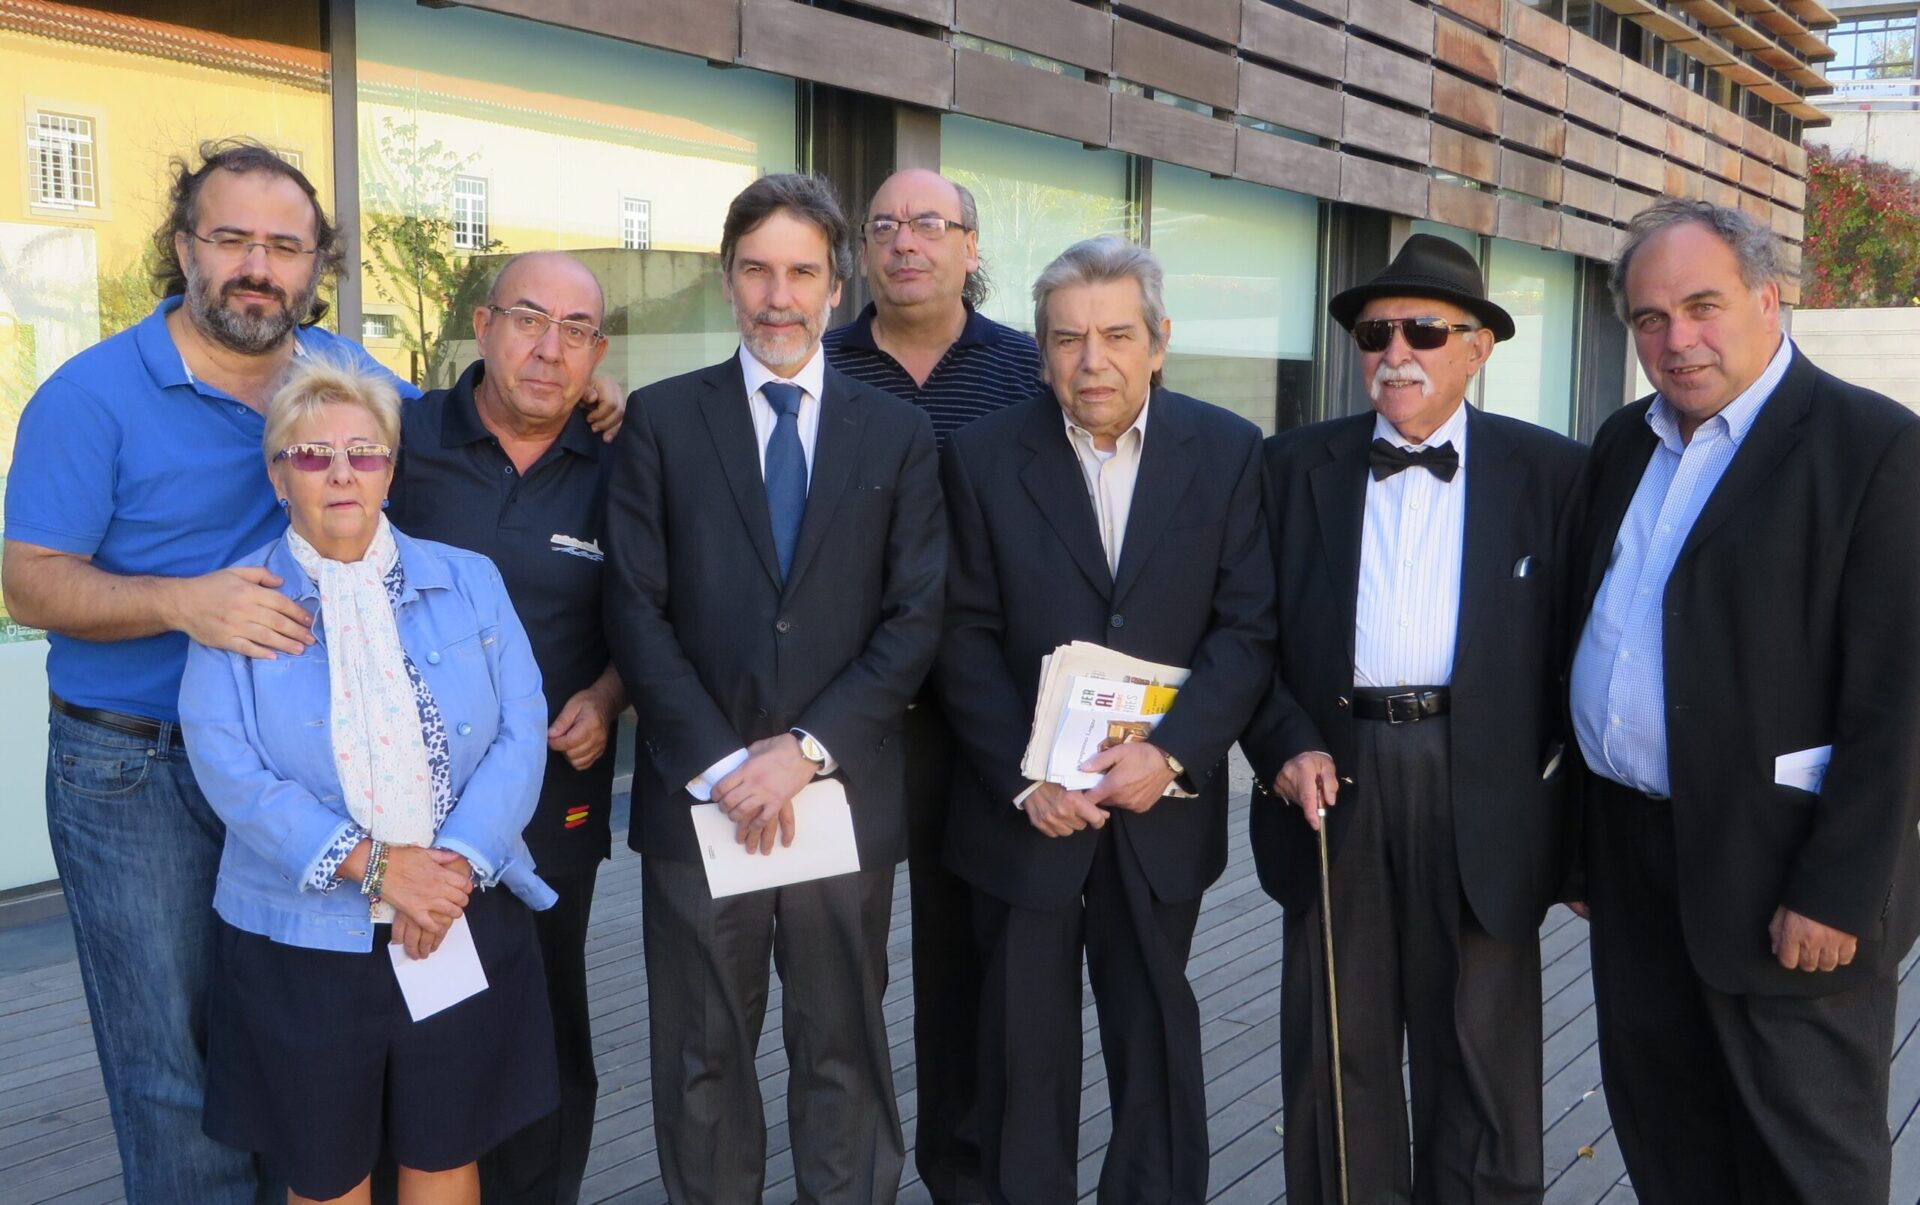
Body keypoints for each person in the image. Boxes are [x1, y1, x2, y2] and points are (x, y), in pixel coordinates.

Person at [1, 136, 622, 1205]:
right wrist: (181, 601)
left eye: (283, 245)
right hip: (138, 765)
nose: (257, 264)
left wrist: (591, 401)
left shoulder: (343, 371)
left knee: (287, 1052)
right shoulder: (91, 394)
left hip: (320, 767)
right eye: (230, 237)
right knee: (170, 1061)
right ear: (182, 247)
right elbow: (28, 582)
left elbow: (449, 416)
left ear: (314, 264)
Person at [1567, 199, 1920, 1203]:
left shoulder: (1873, 447)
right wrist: (1586, 847)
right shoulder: (1625, 443)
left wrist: (1838, 890)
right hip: (1636, 864)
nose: (1677, 339)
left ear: (1770, 300)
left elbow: (1899, 700)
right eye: (1649, 318)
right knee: (1669, 1138)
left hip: (1787, 877)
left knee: (1808, 1161)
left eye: (1703, 305)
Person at [602, 172, 944, 1203]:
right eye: (758, 270)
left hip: (839, 797)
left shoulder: (897, 433)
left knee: (843, 1047)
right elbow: (633, 608)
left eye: (802, 271)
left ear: (838, 286)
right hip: (698, 799)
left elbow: (915, 616)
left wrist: (801, 752)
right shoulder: (660, 423)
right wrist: (722, 764)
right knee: (703, 1059)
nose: (779, 295)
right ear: (727, 279)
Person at [1239, 234, 1584, 1204]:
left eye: (1426, 330)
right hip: (1330, 777)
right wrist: (1280, 742)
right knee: (1333, 1048)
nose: (1398, 350)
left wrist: (1580, 839)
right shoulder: (1285, 468)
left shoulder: (1554, 474)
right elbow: (1244, 636)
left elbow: (1587, 657)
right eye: (1377, 331)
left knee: (1479, 1056)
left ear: (1478, 347)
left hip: (1485, 788)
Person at [935, 236, 1274, 1204]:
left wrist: (1169, 755)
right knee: (1018, 1058)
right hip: (1027, 813)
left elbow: (1247, 626)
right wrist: (1024, 775)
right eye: (1068, 339)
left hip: (1154, 809)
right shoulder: (984, 456)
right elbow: (962, 632)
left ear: (1159, 341)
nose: (1093, 361)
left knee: (1156, 1042)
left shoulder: (1228, 450)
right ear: (1040, 352)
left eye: (1117, 335)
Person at [177, 353, 560, 1204]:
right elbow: (229, 768)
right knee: (324, 1176)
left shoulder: (470, 581)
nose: (341, 472)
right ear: (280, 476)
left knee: (444, 1152)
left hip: (454, 918)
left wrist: (451, 866)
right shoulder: (238, 601)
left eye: (365, 451)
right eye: (313, 455)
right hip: (301, 942)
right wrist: (381, 869)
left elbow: (521, 729)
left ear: (392, 467)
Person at [821, 167, 1041, 1205]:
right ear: (863, 251)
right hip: (846, 713)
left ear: (969, 246)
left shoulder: (1030, 371)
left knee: (966, 958)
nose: (904, 240)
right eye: (884, 224)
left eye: (928, 223)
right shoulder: (816, 366)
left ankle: (964, 1172)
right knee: (840, 962)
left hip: (982, 713)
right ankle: (857, 1172)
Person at [385, 250, 623, 1205]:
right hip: (397, 802)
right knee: (404, 1011)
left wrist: (609, 695)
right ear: (481, 326)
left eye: (574, 331)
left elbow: (656, 612)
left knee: (542, 1023)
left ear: (598, 352)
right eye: (528, 318)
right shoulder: (399, 438)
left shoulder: (620, 462)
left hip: (553, 796)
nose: (547, 347)